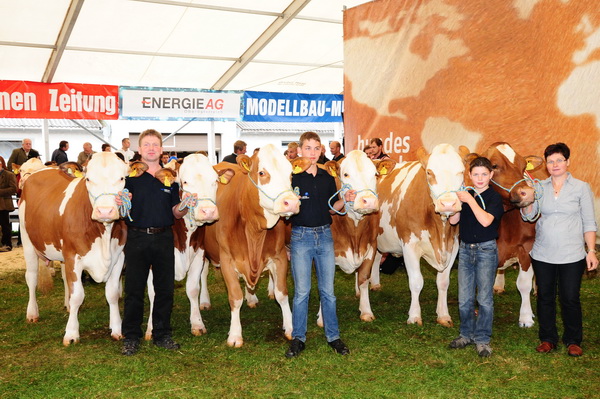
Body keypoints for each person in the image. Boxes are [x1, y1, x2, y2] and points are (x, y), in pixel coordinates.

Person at [521, 142, 598, 357]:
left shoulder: (581, 187)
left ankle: (573, 340)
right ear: (546, 165)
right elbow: (530, 215)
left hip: (572, 254)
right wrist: (527, 199)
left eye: (559, 160)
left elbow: (589, 222)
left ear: (567, 162)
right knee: (544, 296)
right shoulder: (539, 187)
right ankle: (548, 339)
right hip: (543, 253)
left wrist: (591, 250)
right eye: (550, 161)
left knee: (570, 297)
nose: (555, 164)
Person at [120, 129, 190, 356]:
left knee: (165, 289)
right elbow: (122, 212)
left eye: (155, 145)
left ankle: (162, 334)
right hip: (137, 237)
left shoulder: (169, 177)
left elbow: (177, 213)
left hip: (163, 237)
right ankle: (131, 337)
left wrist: (186, 204)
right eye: (147, 145)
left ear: (161, 149)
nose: (151, 148)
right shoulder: (128, 177)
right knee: (133, 289)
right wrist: (123, 202)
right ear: (139, 150)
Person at [285, 131, 355, 358]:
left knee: (329, 292)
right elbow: (284, 210)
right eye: (308, 148)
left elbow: (332, 208)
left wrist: (345, 198)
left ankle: (333, 336)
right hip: (300, 238)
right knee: (302, 292)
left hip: (324, 236)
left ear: (321, 151)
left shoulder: (327, 177)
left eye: (316, 149)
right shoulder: (291, 178)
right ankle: (298, 338)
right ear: (299, 150)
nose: (312, 153)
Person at [448, 157, 503, 358]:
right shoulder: (466, 194)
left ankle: (482, 339)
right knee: (464, 298)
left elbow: (487, 221)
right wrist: (454, 204)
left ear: (491, 175)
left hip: (486, 250)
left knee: (484, 298)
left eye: (484, 174)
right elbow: (454, 220)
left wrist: (470, 200)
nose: (480, 178)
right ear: (469, 176)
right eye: (476, 174)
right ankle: (466, 334)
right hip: (465, 249)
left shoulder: (494, 197)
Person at [0, 156, 17, 252]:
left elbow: (13, 189)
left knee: (5, 225)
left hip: (4, 205)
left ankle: (7, 244)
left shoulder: (9, 175)